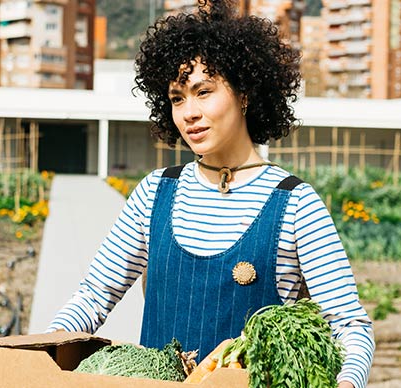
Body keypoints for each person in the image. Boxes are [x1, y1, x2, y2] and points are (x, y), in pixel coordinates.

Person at [47, 1, 375, 386]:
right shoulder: (156, 192)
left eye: (204, 91)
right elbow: (92, 297)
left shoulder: (295, 203)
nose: (189, 112)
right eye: (177, 98)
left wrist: (348, 382)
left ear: (245, 93)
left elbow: (349, 325)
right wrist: (39, 352)